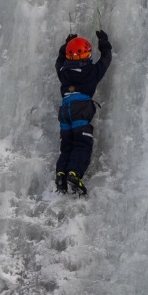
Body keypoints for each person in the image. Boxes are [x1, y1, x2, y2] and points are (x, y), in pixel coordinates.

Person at [54, 30, 112, 195]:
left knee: (67, 146)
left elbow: (59, 61)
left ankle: (61, 175)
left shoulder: (64, 71)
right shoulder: (92, 72)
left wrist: (66, 44)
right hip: (81, 110)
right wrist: (104, 42)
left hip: (65, 111)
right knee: (82, 144)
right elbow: (106, 59)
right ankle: (74, 173)